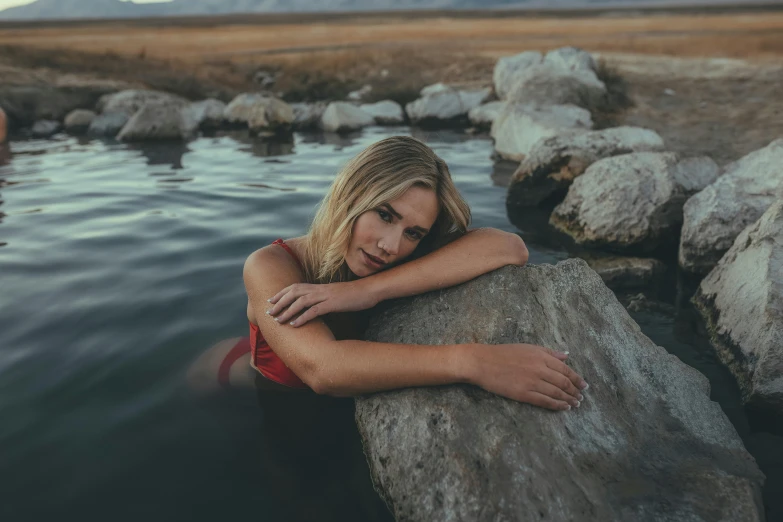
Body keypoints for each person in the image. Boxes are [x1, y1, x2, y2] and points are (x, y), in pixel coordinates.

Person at [188, 135, 587, 410]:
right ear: (351, 195)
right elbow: (324, 370)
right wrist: (474, 363)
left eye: (413, 232)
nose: (391, 246)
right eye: (384, 214)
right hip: (230, 380)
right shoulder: (271, 265)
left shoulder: (399, 258)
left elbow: (509, 247)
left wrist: (367, 291)